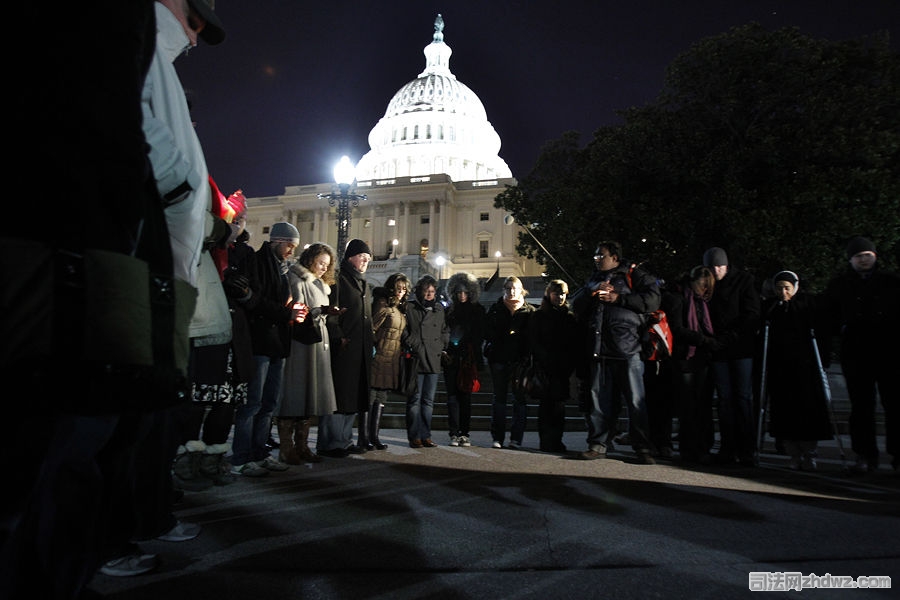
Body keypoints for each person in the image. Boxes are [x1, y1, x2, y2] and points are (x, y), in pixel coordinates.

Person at [96, 0, 229, 575]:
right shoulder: (133, 42)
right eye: (195, 20)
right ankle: (103, 539)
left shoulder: (161, 59)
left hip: (165, 267)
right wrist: (178, 192)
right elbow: (139, 129)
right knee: (119, 414)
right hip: (142, 256)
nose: (196, 37)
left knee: (149, 412)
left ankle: (135, 521)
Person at [570, 241, 661, 464]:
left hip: (628, 349)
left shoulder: (634, 275)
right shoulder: (593, 279)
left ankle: (642, 447)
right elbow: (576, 305)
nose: (597, 259)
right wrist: (591, 293)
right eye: (595, 256)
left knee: (635, 400)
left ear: (615, 258)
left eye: (601, 255)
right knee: (598, 400)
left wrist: (618, 298)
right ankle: (598, 444)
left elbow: (653, 299)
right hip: (599, 350)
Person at [231, 222, 305, 476]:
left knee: (269, 404)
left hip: (277, 343)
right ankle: (241, 458)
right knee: (252, 403)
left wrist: (294, 310)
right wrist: (287, 312)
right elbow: (256, 301)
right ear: (277, 241)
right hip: (260, 341)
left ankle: (259, 453)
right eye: (289, 245)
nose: (291, 251)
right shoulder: (257, 262)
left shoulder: (282, 268)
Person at [822, 236, 900, 474]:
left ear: (875, 256)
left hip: (890, 350)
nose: (864, 260)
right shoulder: (840, 285)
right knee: (861, 406)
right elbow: (828, 319)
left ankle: (898, 455)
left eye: (868, 255)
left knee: (895, 404)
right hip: (856, 351)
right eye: (858, 256)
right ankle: (865, 454)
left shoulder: (891, 283)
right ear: (851, 259)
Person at [761, 271, 833, 470]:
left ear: (795, 287)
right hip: (781, 369)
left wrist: (823, 361)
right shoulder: (772, 308)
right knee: (785, 414)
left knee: (808, 413)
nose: (783, 292)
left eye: (787, 288)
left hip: (806, 369)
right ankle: (793, 454)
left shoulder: (808, 305)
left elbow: (821, 332)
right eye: (779, 288)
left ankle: (810, 453)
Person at [278, 243, 340, 463]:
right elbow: (296, 307)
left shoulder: (322, 285)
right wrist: (319, 311)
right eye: (321, 262)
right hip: (301, 342)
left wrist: (325, 312)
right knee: (297, 391)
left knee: (311, 394)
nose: (324, 268)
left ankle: (303, 446)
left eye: (327, 264)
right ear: (310, 259)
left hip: (318, 341)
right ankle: (287, 448)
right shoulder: (297, 278)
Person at [702, 246, 761, 467]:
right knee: (725, 399)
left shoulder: (744, 281)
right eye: (713, 267)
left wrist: (733, 335)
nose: (717, 271)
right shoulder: (708, 284)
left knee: (743, 398)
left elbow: (752, 313)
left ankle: (747, 449)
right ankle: (728, 447)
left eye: (720, 266)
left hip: (741, 348)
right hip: (719, 349)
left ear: (727, 265)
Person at [320, 239, 375, 458]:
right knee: (339, 396)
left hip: (360, 350)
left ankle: (344, 439)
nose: (365, 261)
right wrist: (338, 337)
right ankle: (330, 442)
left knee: (353, 396)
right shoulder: (339, 281)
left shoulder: (364, 285)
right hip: (343, 348)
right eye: (362, 256)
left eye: (368, 258)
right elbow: (331, 312)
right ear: (350, 257)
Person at [663, 266, 720, 464]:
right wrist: (704, 340)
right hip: (685, 357)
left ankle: (700, 446)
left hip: (700, 357)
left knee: (701, 405)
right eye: (702, 286)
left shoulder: (700, 302)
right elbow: (677, 328)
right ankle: (690, 448)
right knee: (688, 406)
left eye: (707, 287)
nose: (704, 290)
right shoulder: (679, 299)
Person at [484, 276, 536, 449]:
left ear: (521, 290)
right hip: (499, 359)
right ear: (504, 290)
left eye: (514, 288)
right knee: (499, 399)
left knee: (519, 400)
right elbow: (488, 332)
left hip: (520, 362)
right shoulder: (496, 309)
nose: (511, 291)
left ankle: (516, 439)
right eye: (508, 288)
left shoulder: (529, 311)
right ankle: (497, 437)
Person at [529, 279, 580, 453]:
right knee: (546, 406)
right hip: (545, 366)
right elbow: (534, 341)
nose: (560, 297)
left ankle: (556, 440)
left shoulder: (569, 317)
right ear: (549, 294)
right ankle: (546, 440)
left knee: (559, 407)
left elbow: (574, 344)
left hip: (562, 367)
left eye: (563, 294)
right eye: (556, 293)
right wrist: (544, 358)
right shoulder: (539, 316)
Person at [405, 275, 449, 448]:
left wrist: (441, 345)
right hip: (417, 358)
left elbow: (445, 329)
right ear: (420, 291)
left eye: (432, 291)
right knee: (414, 400)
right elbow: (404, 330)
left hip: (433, 358)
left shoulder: (439, 309)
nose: (430, 294)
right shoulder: (410, 307)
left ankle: (426, 435)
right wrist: (415, 344)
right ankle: (414, 436)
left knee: (428, 401)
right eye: (427, 291)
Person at [368, 272, 411, 449]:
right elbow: (371, 327)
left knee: (381, 397)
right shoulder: (382, 303)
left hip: (392, 358)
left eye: (404, 288)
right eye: (398, 288)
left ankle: (374, 436)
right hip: (379, 355)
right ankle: (366, 437)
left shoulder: (400, 308)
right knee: (371, 396)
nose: (401, 291)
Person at [443, 272, 486, 447]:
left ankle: (464, 433)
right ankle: (453, 433)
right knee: (452, 397)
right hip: (452, 358)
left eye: (465, 292)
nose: (462, 295)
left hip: (468, 358)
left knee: (465, 397)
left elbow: (480, 335)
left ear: (470, 293)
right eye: (459, 292)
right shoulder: (449, 311)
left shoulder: (478, 311)